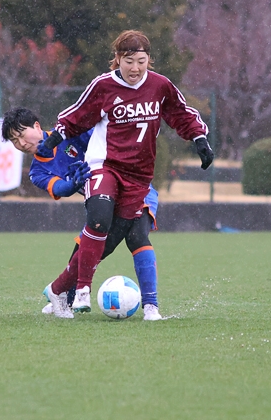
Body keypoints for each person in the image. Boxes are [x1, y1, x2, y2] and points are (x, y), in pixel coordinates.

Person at [37, 30, 213, 317]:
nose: (135, 68)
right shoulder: (103, 86)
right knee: (98, 219)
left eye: (141, 61)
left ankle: (57, 290)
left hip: (139, 176)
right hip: (104, 166)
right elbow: (78, 115)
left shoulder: (160, 85)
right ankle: (82, 290)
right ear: (117, 59)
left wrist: (199, 139)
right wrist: (56, 136)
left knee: (107, 242)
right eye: (129, 61)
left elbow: (181, 114)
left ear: (149, 60)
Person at [1, 107, 163, 320]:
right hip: (103, 202)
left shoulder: (70, 132)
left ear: (37, 126)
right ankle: (62, 297)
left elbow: (106, 138)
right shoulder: (36, 172)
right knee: (84, 246)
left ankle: (151, 306)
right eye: (14, 141)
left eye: (22, 135)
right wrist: (72, 184)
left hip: (133, 186)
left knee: (136, 236)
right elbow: (58, 189)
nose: (21, 143)